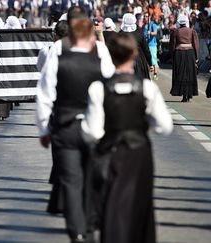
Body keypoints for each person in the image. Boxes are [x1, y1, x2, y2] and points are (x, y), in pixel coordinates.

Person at [82, 32, 173, 243]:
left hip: (110, 151)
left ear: (110, 55)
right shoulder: (147, 88)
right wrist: (146, 124)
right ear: (134, 54)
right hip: (139, 152)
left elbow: (92, 131)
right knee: (140, 203)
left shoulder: (98, 88)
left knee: (112, 202)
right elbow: (165, 126)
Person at [36, 15, 114, 242]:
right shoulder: (101, 55)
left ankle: (77, 231)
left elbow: (44, 95)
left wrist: (43, 129)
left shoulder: (58, 57)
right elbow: (111, 89)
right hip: (96, 126)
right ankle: (89, 224)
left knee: (71, 181)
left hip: (65, 126)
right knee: (92, 178)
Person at [170, 15, 199, 102]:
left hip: (179, 54)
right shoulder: (192, 31)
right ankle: (189, 94)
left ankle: (184, 96)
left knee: (181, 73)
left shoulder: (175, 31)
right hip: (190, 54)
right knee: (190, 73)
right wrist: (196, 57)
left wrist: (172, 56)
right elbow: (196, 45)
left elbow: (172, 45)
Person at [120, 13, 152, 80]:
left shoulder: (121, 34)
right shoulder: (139, 32)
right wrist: (150, 63)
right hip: (139, 61)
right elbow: (146, 50)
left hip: (125, 62)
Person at [143, 13, 159, 80]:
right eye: (144, 16)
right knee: (146, 60)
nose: (145, 17)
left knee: (153, 60)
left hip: (152, 45)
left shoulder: (153, 24)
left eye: (146, 16)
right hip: (146, 45)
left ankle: (155, 75)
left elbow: (155, 33)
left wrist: (150, 33)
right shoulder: (144, 25)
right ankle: (147, 74)